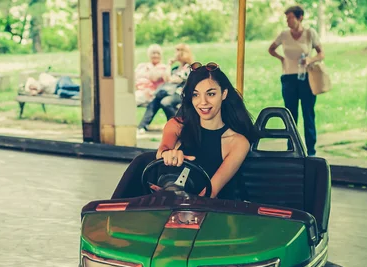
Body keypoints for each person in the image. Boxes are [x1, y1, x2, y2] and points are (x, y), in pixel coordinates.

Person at [112, 62, 258, 200]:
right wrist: (167, 155)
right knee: (142, 160)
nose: (203, 102)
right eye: (195, 95)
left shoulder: (237, 142)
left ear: (224, 94)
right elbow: (163, 148)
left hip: (208, 210)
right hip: (168, 204)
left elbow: (210, 193)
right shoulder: (177, 125)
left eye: (211, 94)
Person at [268, 4, 325, 156]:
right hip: (289, 78)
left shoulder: (310, 33)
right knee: (290, 115)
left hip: (306, 78)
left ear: (300, 18)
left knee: (308, 113)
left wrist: (310, 59)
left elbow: (321, 54)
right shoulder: (284, 34)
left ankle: (311, 150)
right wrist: (281, 59)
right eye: (286, 18)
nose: (288, 21)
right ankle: (291, 148)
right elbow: (271, 49)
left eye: (291, 17)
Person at [137, 43, 194, 135]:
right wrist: (169, 64)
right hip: (172, 92)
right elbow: (167, 78)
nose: (176, 53)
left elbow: (175, 80)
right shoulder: (176, 68)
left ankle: (177, 125)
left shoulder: (188, 67)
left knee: (165, 102)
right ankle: (142, 126)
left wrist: (170, 78)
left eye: (178, 51)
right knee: (156, 100)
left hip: (181, 94)